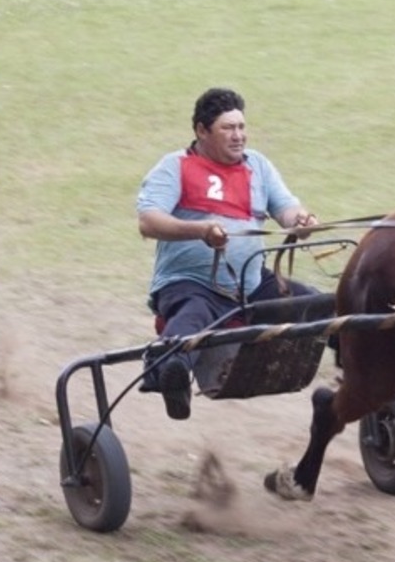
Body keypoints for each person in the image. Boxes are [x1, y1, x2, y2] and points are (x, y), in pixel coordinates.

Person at [136, 87, 320, 420]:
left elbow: (287, 209)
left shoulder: (258, 166)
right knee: (192, 316)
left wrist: (301, 222)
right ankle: (170, 372)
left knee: (319, 306)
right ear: (202, 131)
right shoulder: (175, 167)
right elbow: (148, 222)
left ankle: (363, 371)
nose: (239, 136)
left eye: (241, 127)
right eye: (228, 128)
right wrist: (201, 230)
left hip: (252, 284)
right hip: (189, 284)